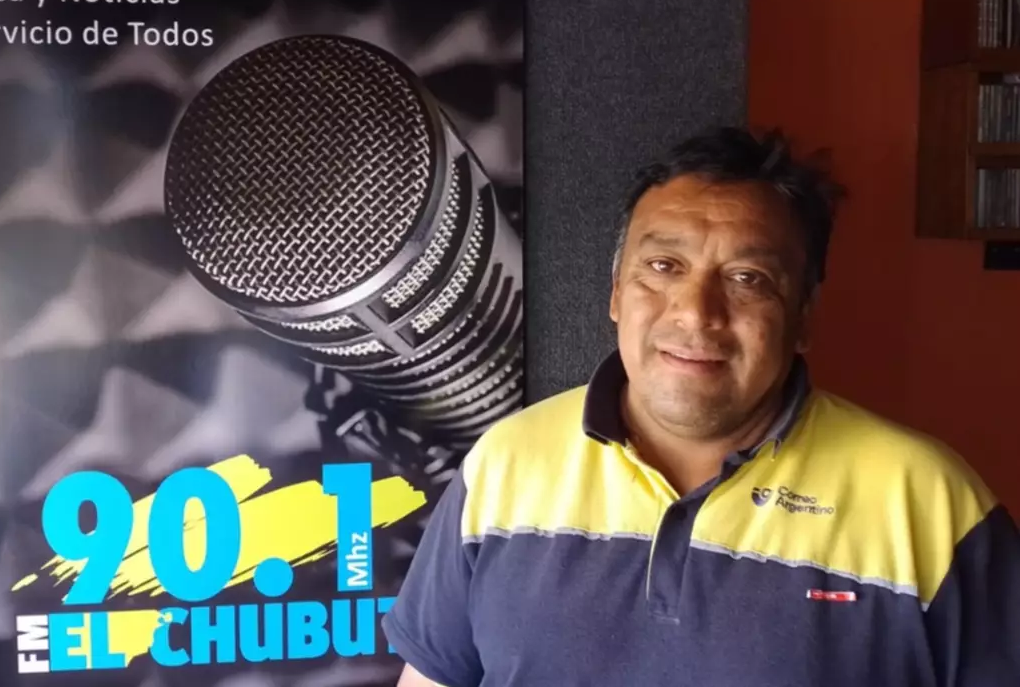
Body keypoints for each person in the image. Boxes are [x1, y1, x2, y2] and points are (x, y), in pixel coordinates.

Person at [380, 127, 1020, 687]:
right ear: (616, 292)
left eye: (747, 279)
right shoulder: (505, 465)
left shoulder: (932, 505)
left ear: (803, 317)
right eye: (663, 265)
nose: (695, 313)